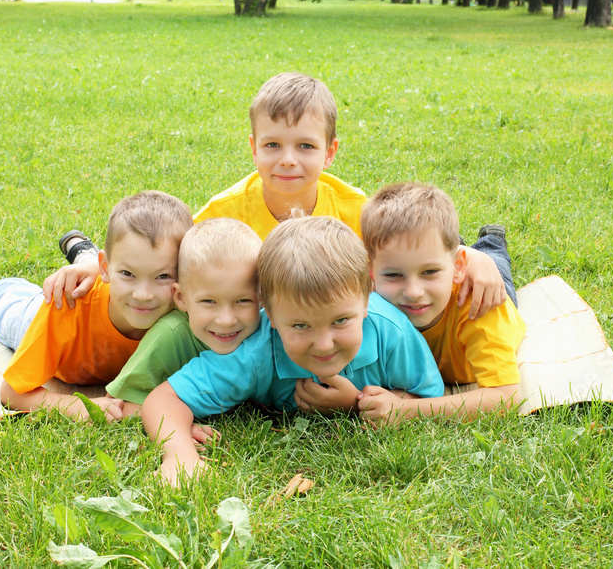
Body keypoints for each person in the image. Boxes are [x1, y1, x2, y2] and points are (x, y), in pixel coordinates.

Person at [44, 72, 510, 319]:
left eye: (305, 146)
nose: (288, 159)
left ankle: (492, 245)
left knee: (495, 288)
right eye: (272, 145)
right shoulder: (224, 213)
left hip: (316, 317)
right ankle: (81, 246)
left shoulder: (354, 208)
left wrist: (476, 257)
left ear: (329, 152)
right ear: (252, 147)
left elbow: (411, 243)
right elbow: (158, 256)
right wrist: (90, 263)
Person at [141, 215, 445, 485]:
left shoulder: (391, 332)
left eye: (340, 320)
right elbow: (164, 399)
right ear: (268, 314)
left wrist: (359, 404)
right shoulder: (256, 351)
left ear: (367, 298)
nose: (324, 344)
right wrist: (180, 455)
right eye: (300, 326)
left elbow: (429, 396)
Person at [0, 191, 192, 421]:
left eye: (163, 276)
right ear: (104, 268)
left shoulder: (186, 312)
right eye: (127, 273)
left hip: (97, 280)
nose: (143, 294)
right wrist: (76, 406)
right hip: (31, 314)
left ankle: (82, 254)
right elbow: (12, 393)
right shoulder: (66, 307)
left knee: (91, 276)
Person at [353, 182, 526, 424]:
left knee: (495, 267)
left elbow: (506, 399)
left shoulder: (479, 309)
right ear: (370, 273)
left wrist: (407, 409)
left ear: (458, 267)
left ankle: (492, 242)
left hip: (487, 291)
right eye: (393, 275)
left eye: (430, 271)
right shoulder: (366, 304)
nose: (413, 292)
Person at [106, 218, 263, 413]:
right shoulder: (169, 336)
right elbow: (118, 404)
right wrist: (176, 420)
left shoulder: (270, 326)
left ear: (263, 296)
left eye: (243, 301)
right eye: (209, 301)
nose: (226, 320)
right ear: (180, 297)